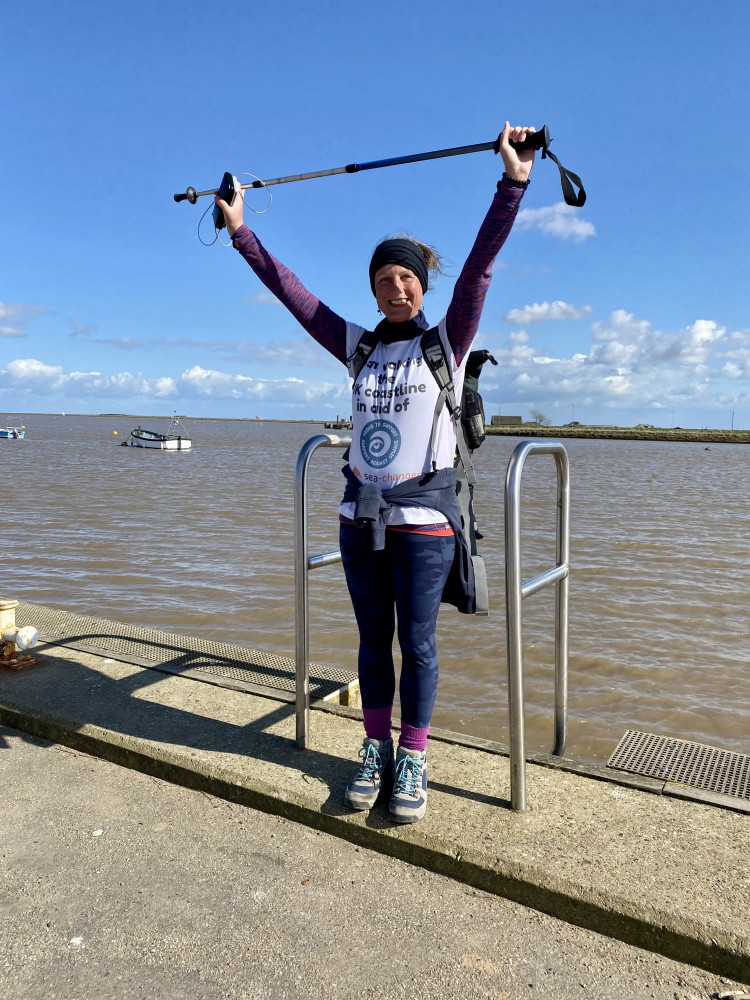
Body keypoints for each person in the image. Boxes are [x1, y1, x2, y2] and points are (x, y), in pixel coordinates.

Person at [217, 122, 536, 824]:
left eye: (406, 278)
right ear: (374, 289)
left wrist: (512, 184)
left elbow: (480, 267)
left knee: (416, 643)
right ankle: (374, 748)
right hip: (359, 522)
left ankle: (414, 755)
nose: (396, 287)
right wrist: (241, 232)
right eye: (384, 279)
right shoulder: (357, 347)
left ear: (421, 286)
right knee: (369, 643)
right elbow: (292, 293)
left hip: (425, 527)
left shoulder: (445, 342)